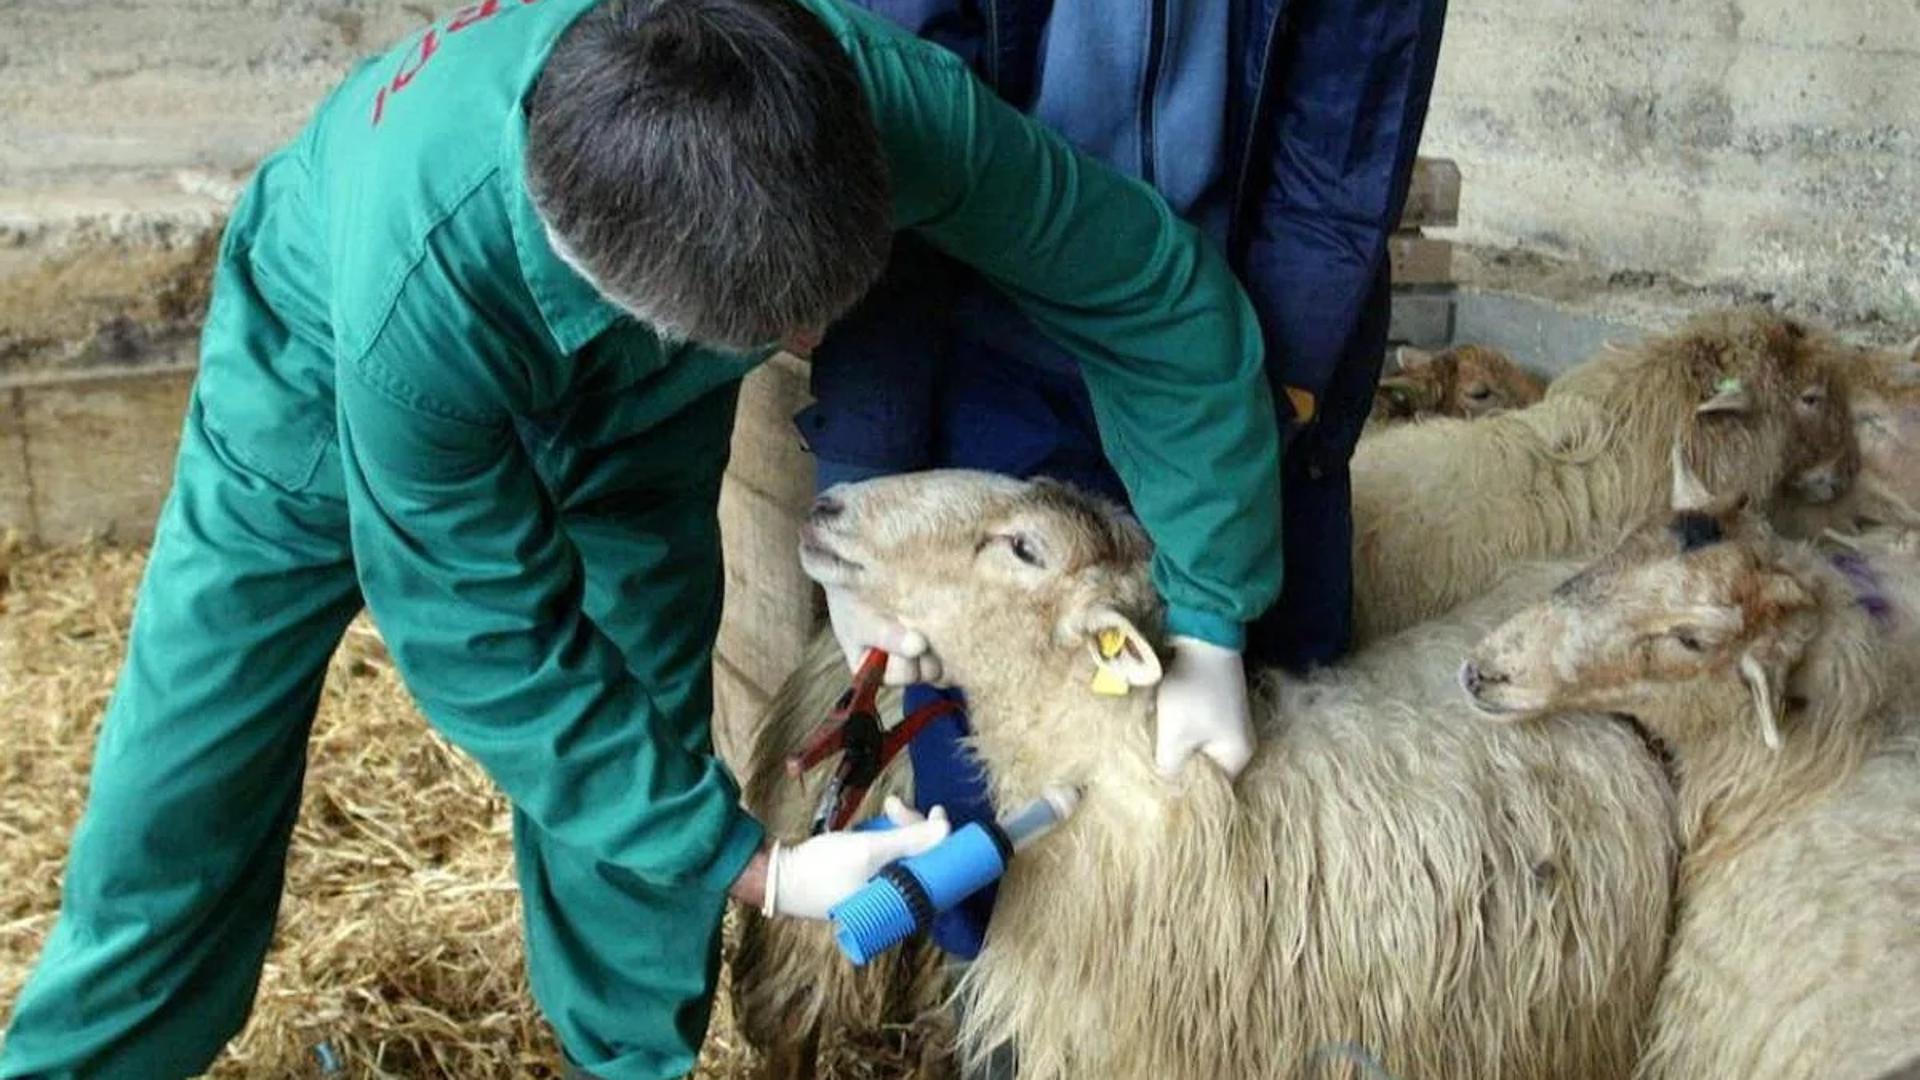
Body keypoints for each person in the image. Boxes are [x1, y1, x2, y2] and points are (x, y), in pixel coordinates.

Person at [0, 0, 1283, 1077]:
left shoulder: (866, 100)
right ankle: (94, 1057)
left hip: (639, 427)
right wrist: (757, 872)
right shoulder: (417, 305)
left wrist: (1216, 610)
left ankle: (630, 1063)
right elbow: (485, 640)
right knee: (192, 756)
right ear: (617, 287)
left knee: (649, 713)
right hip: (315, 388)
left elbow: (1141, 285)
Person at [802, 0, 1450, 963]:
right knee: (985, 804)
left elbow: (1338, 164)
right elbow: (895, 154)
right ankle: (1017, 1029)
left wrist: (1223, 573)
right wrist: (869, 462)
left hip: (1245, 357)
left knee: (1266, 792)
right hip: (1001, 348)